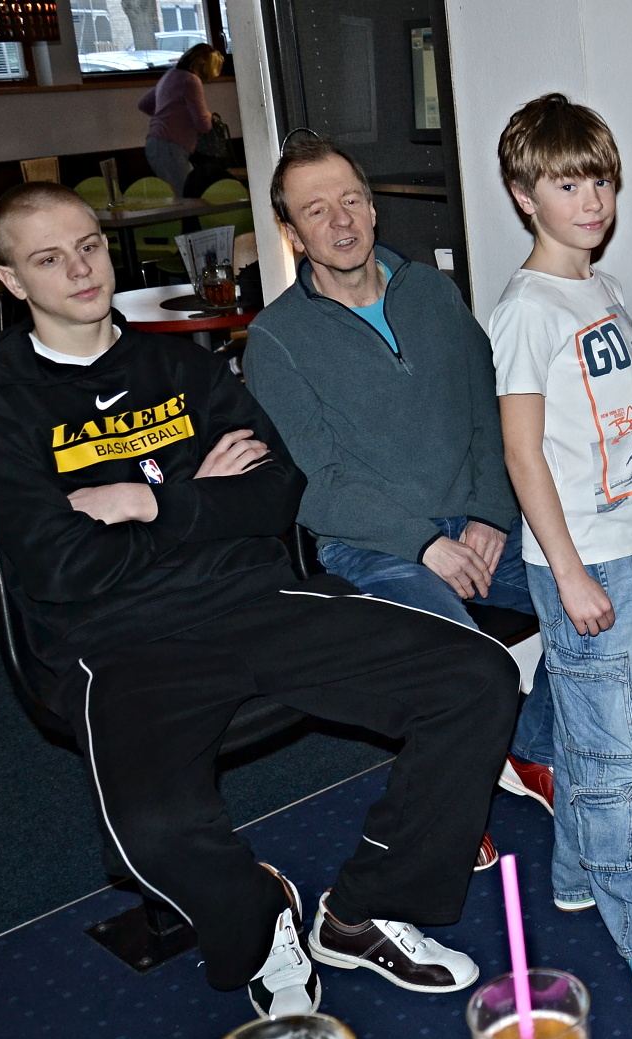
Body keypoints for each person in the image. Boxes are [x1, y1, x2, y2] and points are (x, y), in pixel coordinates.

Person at [0, 182, 518, 1020]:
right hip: (118, 640)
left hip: (254, 597)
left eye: (89, 246)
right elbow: (60, 566)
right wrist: (203, 494)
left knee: (477, 677)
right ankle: (259, 921)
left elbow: (276, 492)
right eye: (49, 258)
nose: (80, 269)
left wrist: (145, 502)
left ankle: (364, 911)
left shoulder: (180, 365)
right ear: (11, 280)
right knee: (151, 838)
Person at [244, 135, 556, 864]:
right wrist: (424, 544)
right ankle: (445, 799)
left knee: (602, 595)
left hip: (476, 520)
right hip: (373, 545)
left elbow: (489, 415)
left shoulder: (433, 293)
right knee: (463, 661)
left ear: (373, 208)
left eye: (351, 200)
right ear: (292, 233)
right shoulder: (276, 340)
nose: (341, 221)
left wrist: (490, 513)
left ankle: (529, 746)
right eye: (316, 211)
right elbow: (315, 483)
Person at [490, 93, 632, 1010]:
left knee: (596, 732)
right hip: (585, 560)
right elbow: (522, 454)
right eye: (568, 185)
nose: (592, 201)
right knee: (619, 763)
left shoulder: (600, 289)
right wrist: (569, 572)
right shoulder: (527, 309)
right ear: (525, 195)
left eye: (600, 182)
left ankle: (583, 870)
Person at [138, 43, 221, 195]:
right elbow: (203, 124)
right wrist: (210, 116)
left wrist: (168, 115)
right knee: (186, 194)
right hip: (172, 148)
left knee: (181, 191)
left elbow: (144, 104)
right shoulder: (191, 81)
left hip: (154, 143)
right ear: (204, 65)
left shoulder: (170, 75)